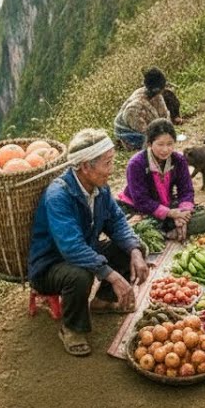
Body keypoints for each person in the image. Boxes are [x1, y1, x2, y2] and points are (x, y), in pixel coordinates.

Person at [29, 129, 151, 357]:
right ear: (85, 166)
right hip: (50, 265)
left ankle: (103, 301)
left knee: (132, 248)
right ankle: (72, 329)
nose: (111, 169)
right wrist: (112, 275)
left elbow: (117, 221)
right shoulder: (59, 195)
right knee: (80, 274)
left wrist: (135, 250)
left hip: (83, 252)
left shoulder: (100, 188)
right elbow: (72, 248)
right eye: (107, 163)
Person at [117, 119, 205, 242]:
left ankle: (172, 230)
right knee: (138, 228)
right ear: (149, 143)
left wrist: (183, 214)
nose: (165, 149)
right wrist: (170, 213)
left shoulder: (178, 160)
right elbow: (141, 200)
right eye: (160, 144)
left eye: (170, 144)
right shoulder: (136, 164)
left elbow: (186, 190)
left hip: (170, 207)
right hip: (141, 209)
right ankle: (167, 232)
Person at [113, 68, 171, 149]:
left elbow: (164, 115)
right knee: (152, 141)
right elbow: (142, 129)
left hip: (142, 125)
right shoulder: (135, 106)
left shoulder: (157, 96)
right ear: (157, 89)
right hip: (128, 132)